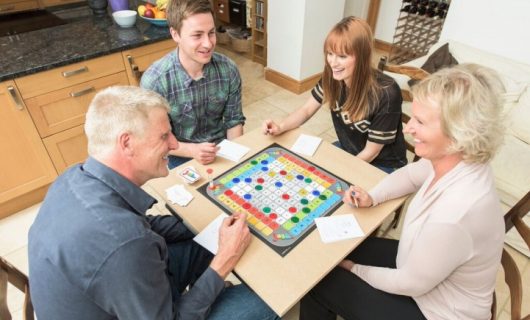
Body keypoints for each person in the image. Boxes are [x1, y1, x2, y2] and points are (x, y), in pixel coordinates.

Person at [28, 86, 279, 320]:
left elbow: (144, 225)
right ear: (127, 143)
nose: (173, 144)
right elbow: (129, 241)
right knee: (271, 300)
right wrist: (225, 258)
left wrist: (205, 221)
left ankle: (209, 291)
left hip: (122, 295)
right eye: (164, 136)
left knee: (203, 241)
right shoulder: (125, 244)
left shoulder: (74, 177)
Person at [299, 63, 506, 320]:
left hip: (437, 311)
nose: (407, 129)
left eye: (419, 122)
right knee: (334, 250)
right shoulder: (456, 158)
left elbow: (410, 283)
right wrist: (372, 196)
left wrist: (356, 271)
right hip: (420, 266)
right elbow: (410, 175)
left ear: (458, 134)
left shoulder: (456, 212)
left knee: (318, 283)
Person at [262, 17, 407, 173]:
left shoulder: (387, 93)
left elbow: (372, 152)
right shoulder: (332, 76)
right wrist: (280, 127)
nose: (333, 62)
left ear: (362, 57)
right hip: (349, 150)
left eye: (342, 56)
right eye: (330, 53)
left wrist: (338, 172)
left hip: (383, 164)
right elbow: (306, 110)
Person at [141, 0, 245, 169]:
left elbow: (234, 121)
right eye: (197, 35)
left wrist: (236, 158)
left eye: (211, 33)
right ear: (175, 35)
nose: (208, 43)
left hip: (222, 149)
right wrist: (193, 150)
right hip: (180, 153)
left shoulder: (229, 70)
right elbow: (156, 138)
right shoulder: (155, 81)